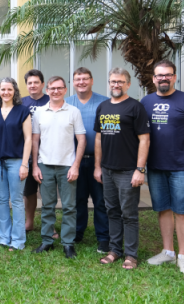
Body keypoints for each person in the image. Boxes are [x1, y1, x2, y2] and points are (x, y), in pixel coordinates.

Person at [140, 60, 184, 275]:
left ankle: (183, 256)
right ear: (153, 78)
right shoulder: (145, 102)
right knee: (163, 209)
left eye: (168, 75)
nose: (163, 78)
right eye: (159, 75)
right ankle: (168, 251)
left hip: (181, 167)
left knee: (182, 211)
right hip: (155, 166)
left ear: (174, 77)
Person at [95, 67, 150, 270]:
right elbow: (99, 138)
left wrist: (140, 169)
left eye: (120, 81)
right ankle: (114, 250)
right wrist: (97, 167)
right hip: (107, 170)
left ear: (128, 84)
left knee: (129, 214)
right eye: (112, 81)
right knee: (112, 211)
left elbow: (145, 140)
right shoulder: (103, 107)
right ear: (108, 83)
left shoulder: (135, 107)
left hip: (128, 170)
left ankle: (131, 255)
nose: (115, 85)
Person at [31, 76, 86, 258]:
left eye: (59, 88)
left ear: (65, 90)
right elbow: (35, 140)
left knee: (69, 206)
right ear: (47, 90)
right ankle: (47, 240)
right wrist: (35, 166)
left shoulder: (73, 112)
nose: (56, 91)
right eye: (52, 88)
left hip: (67, 166)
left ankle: (68, 243)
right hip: (44, 165)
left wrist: (76, 165)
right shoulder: (39, 112)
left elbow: (81, 139)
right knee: (47, 205)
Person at [66, 67, 111, 254]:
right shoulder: (67, 102)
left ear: (92, 81)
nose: (81, 82)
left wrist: (100, 164)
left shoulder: (105, 103)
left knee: (101, 200)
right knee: (78, 200)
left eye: (85, 79)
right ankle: (77, 232)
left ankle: (103, 238)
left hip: (97, 160)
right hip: (73, 160)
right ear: (73, 82)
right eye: (78, 79)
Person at [0, 78, 32, 251]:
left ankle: (18, 240)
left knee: (17, 200)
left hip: (16, 162)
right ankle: (4, 238)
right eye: (3, 89)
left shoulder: (23, 111)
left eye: (9, 89)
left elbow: (28, 139)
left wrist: (25, 164)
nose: (6, 92)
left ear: (15, 91)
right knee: (2, 200)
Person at [21, 69, 50, 234]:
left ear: (43, 84)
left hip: (47, 154)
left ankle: (48, 225)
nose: (32, 85)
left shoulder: (50, 100)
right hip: (27, 154)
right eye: (29, 83)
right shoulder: (21, 103)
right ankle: (29, 222)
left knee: (47, 191)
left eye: (36, 82)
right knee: (29, 191)